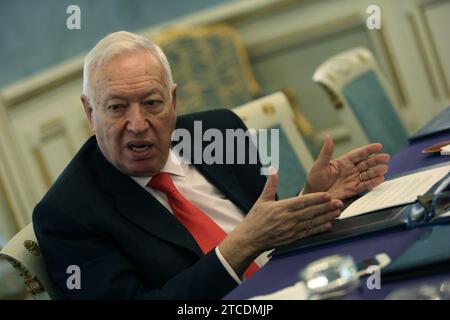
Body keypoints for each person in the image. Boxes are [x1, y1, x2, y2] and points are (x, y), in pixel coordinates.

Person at [32, 31, 390, 299]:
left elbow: (270, 231)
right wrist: (238, 247)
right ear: (89, 112)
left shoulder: (217, 130)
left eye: (152, 103)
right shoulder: (67, 214)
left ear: (172, 101)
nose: (138, 123)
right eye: (116, 107)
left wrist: (311, 198)